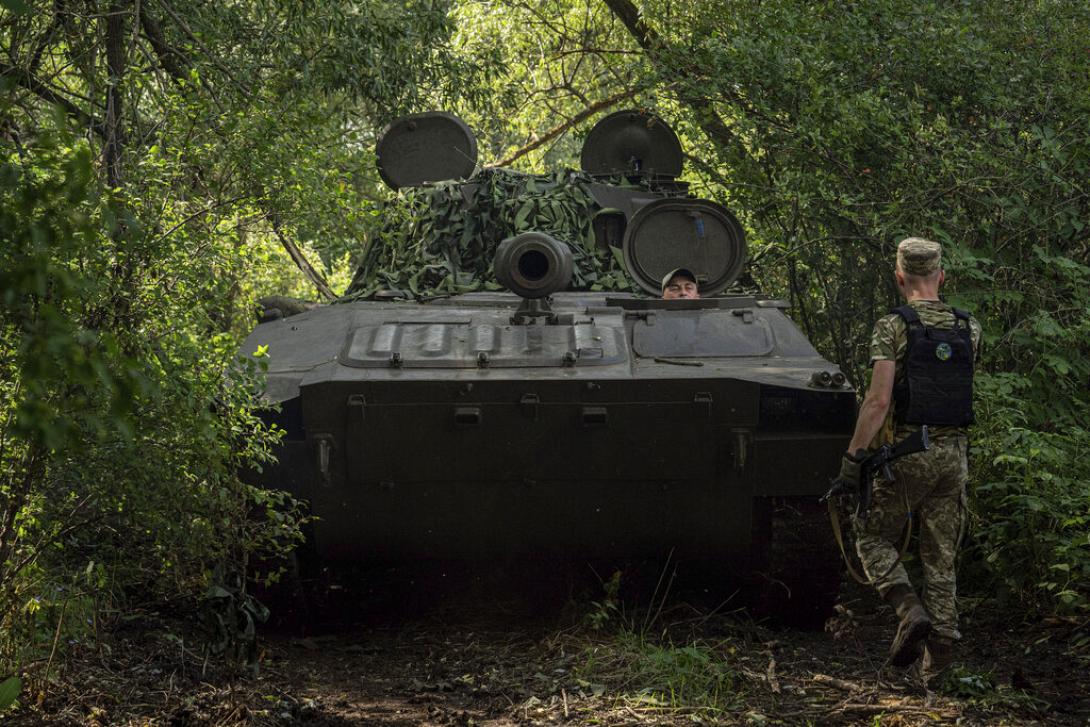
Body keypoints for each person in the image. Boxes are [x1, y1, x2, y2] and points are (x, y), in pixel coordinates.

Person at [834, 237, 981, 676]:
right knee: (941, 558)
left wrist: (853, 458)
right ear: (942, 277)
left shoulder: (893, 325)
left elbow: (878, 401)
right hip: (954, 457)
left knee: (871, 537)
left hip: (907, 453)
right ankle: (941, 670)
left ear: (899, 279)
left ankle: (908, 609)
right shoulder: (968, 326)